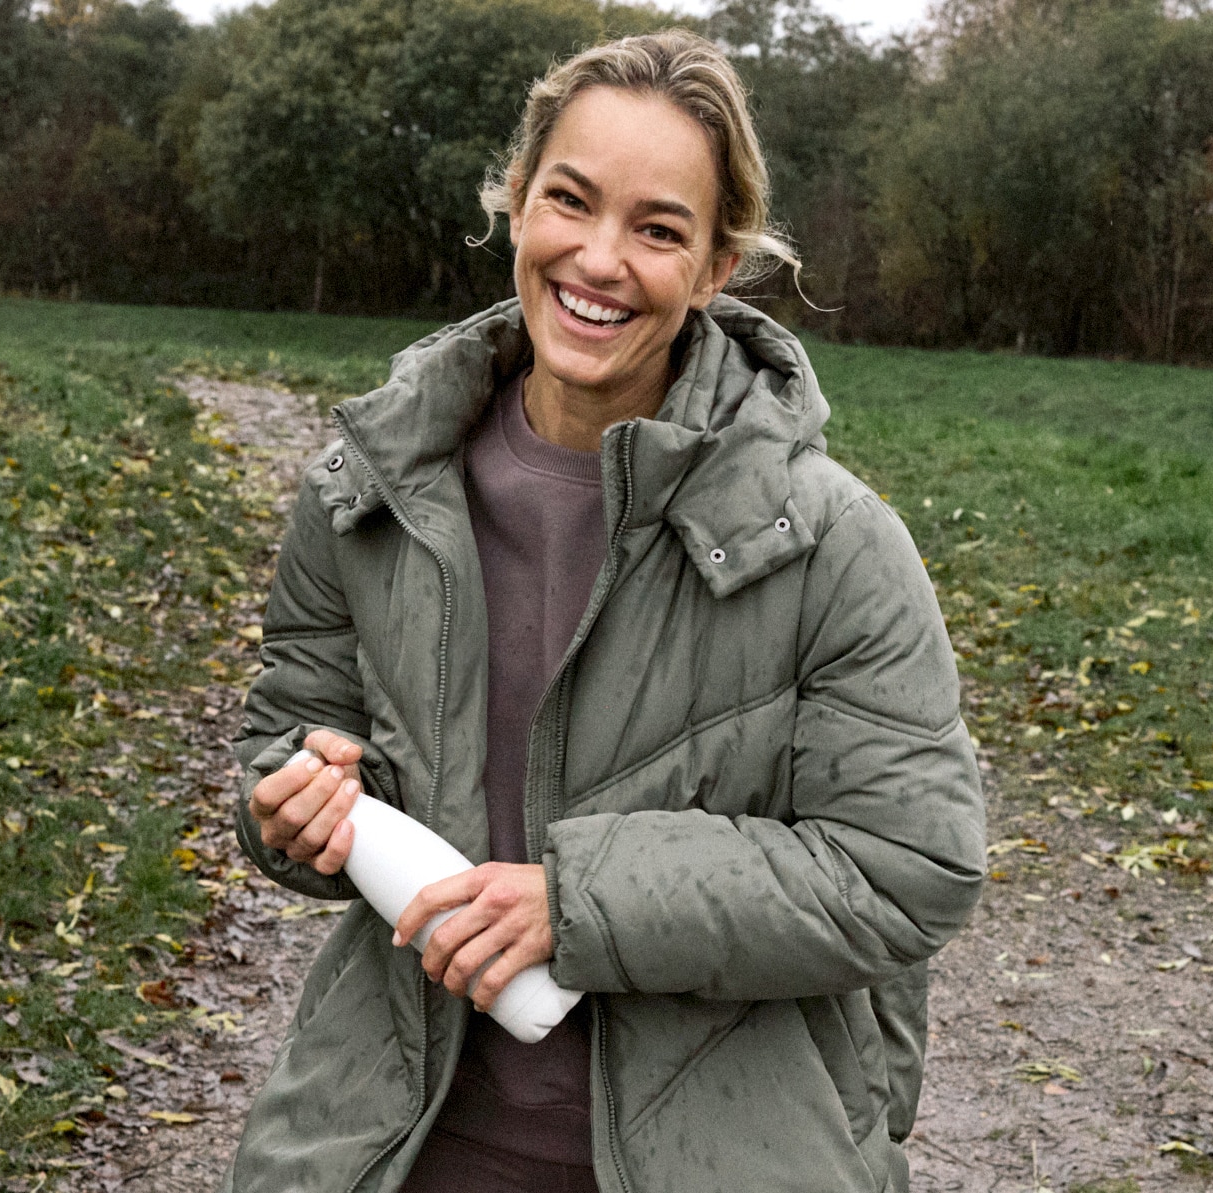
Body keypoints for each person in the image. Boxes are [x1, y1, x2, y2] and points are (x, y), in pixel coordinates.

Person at [223, 28, 985, 1193]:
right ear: (516, 203)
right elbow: (286, 742)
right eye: (568, 201)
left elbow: (909, 866)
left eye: (658, 228)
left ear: (716, 267)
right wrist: (296, 803)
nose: (598, 257)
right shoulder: (365, 492)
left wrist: (582, 902)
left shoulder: (835, 546)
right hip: (402, 1146)